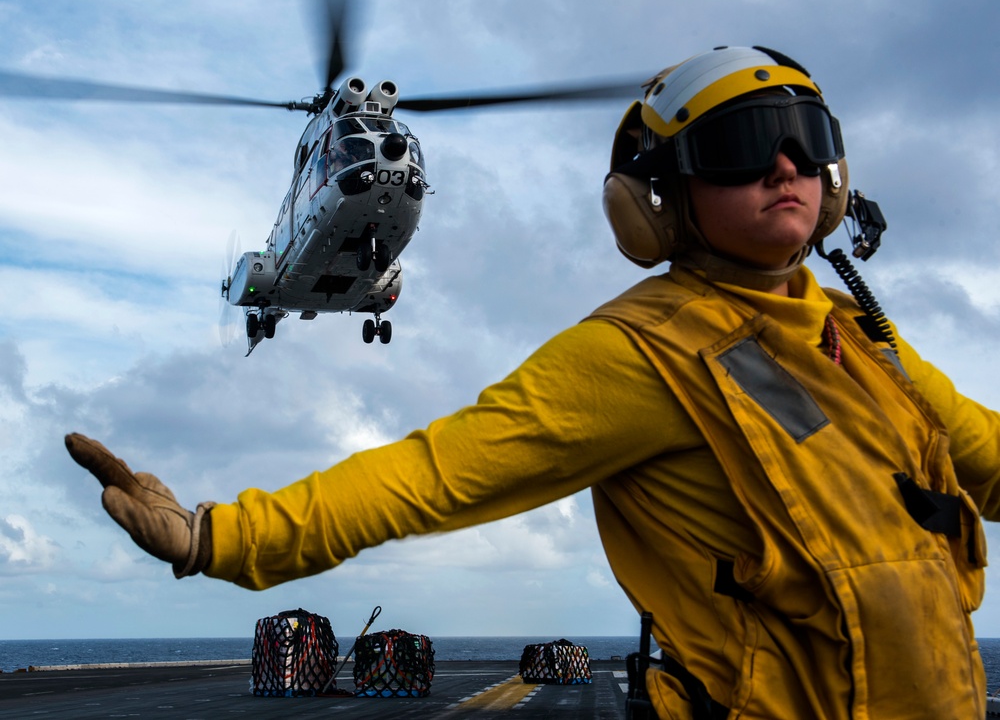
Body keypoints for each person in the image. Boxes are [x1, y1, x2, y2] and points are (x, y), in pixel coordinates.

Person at [65, 46, 1000, 719]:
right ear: (660, 194)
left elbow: (984, 459)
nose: (785, 164)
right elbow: (429, 475)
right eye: (743, 145)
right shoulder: (641, 351)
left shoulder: (862, 341)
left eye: (804, 136)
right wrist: (213, 538)